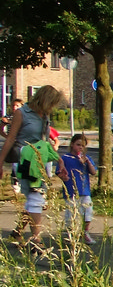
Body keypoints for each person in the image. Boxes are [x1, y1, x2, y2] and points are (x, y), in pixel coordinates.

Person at [1, 86, 67, 244]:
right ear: (44, 100)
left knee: (36, 199)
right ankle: (36, 239)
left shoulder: (44, 116)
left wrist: (59, 160)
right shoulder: (21, 113)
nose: (52, 108)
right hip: (25, 160)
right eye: (51, 103)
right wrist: (1, 162)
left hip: (39, 162)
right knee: (36, 198)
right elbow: (10, 139)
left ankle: (18, 231)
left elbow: (44, 143)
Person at [57, 132, 99, 244]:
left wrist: (87, 162)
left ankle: (85, 232)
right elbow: (59, 172)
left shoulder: (86, 158)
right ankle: (69, 234)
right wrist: (63, 176)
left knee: (88, 211)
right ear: (72, 144)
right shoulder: (65, 158)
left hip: (84, 191)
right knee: (71, 214)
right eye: (78, 144)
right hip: (71, 191)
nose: (80, 147)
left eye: (83, 146)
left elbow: (94, 172)